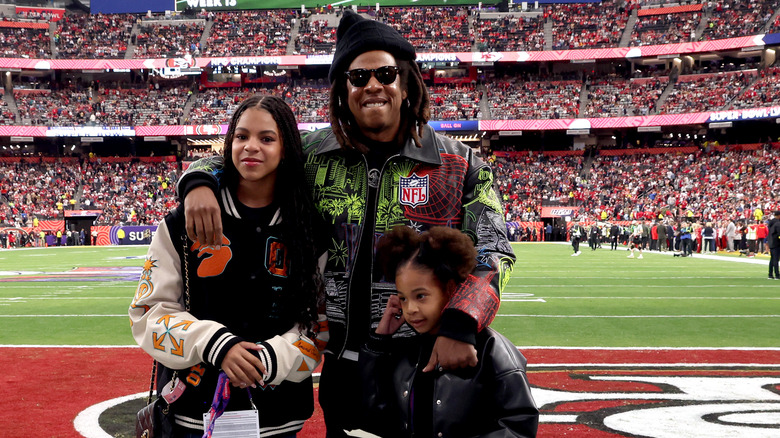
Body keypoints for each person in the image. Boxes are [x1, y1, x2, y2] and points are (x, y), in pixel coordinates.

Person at [175, 10, 514, 437]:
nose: (373, 85)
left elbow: (493, 249)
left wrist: (462, 323)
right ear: (342, 90)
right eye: (358, 77)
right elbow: (249, 156)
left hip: (428, 364)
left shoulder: (459, 164)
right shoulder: (312, 157)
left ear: (406, 83)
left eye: (386, 73)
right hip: (343, 369)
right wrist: (200, 180)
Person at [129, 95, 328, 437]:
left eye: (266, 138)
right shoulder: (182, 221)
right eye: (241, 136)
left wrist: (268, 359)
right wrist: (216, 344)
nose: (251, 147)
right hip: (192, 415)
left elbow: (317, 325)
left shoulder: (311, 229)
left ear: (286, 149)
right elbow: (147, 313)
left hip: (280, 417)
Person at [360, 226, 538, 437]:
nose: (410, 309)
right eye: (403, 298)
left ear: (451, 289)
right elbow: (376, 415)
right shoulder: (406, 346)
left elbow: (519, 426)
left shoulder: (491, 348)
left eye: (421, 296)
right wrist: (378, 343)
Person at [767, 211, 780, 280]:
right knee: (776, 259)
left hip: (771, 242)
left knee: (772, 259)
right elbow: (779, 234)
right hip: (776, 243)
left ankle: (770, 274)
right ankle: (777, 275)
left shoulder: (771, 222)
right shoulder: (777, 223)